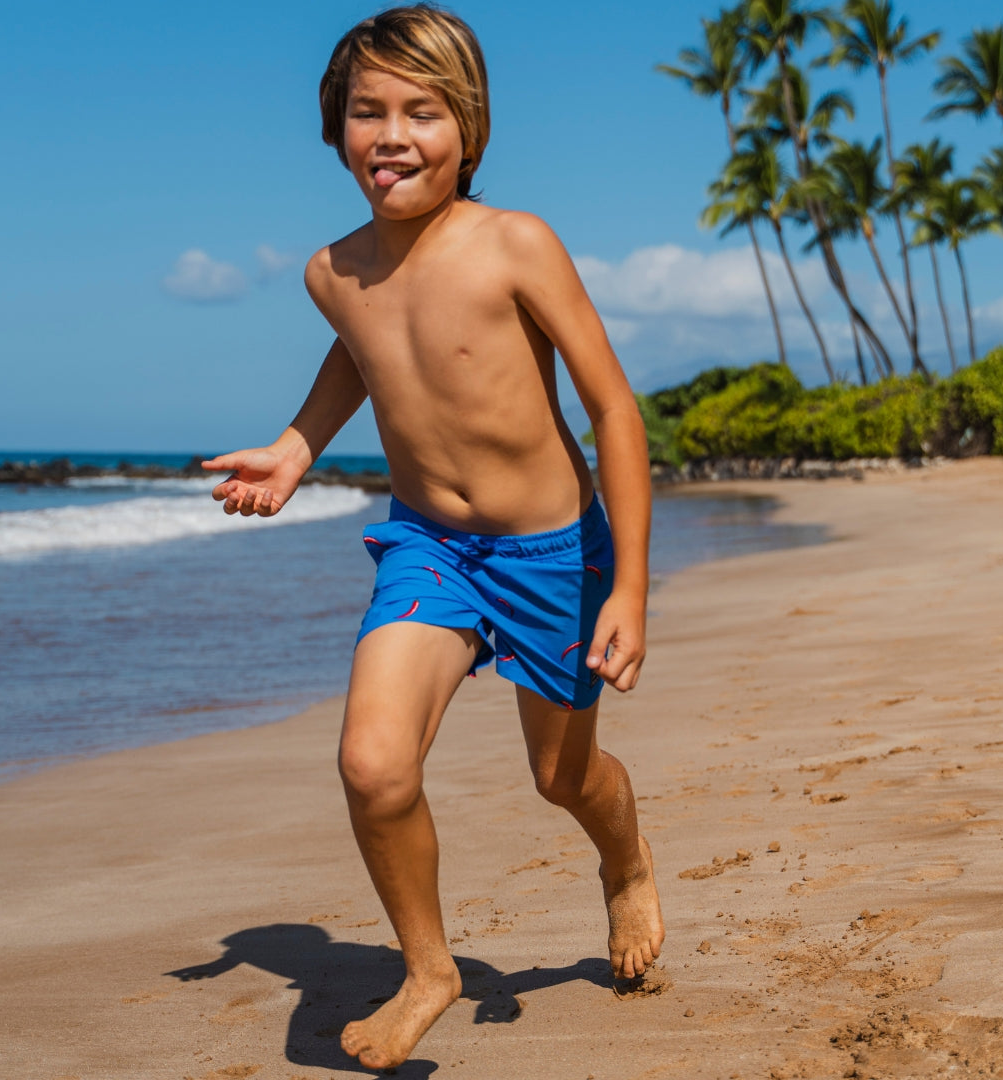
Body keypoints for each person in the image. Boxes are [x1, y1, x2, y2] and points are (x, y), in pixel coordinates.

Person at [202, 4, 664, 1069]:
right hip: (431, 550)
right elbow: (366, 351)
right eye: (369, 111)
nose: (394, 135)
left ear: (472, 128)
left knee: (562, 778)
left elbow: (615, 412)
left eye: (424, 111)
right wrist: (295, 448)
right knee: (372, 765)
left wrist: (631, 585)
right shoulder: (332, 270)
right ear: (336, 129)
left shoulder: (515, 244)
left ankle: (626, 859)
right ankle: (429, 967)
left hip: (555, 554)